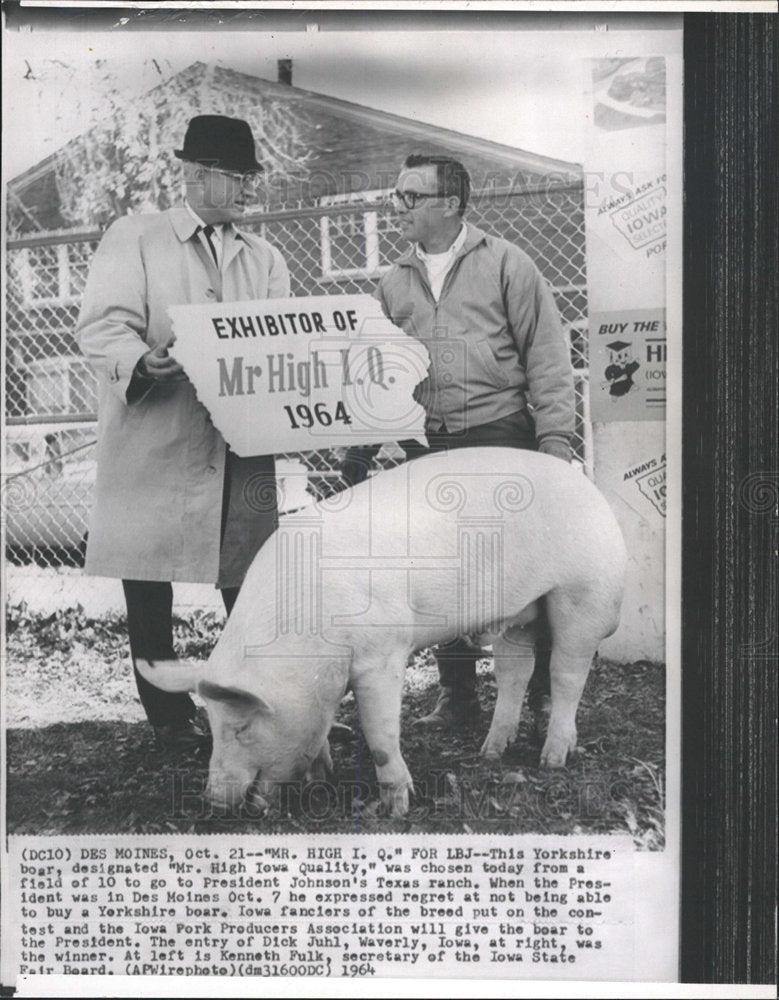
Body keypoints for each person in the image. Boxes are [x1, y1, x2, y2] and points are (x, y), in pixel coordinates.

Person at [77, 115, 290, 752]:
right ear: (195, 175)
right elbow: (101, 327)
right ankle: (168, 719)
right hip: (157, 432)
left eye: (251, 177)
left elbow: (284, 343)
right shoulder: (135, 238)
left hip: (239, 441)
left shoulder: (265, 257)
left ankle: (260, 705)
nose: (248, 189)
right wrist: (143, 362)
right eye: (235, 177)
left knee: (252, 575)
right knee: (148, 577)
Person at [342, 153, 576, 731]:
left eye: (411, 197)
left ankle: (541, 690)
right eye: (396, 196)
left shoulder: (508, 265)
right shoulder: (393, 282)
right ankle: (458, 694)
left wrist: (555, 441)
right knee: (441, 571)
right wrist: (359, 448)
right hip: (429, 444)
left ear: (451, 204)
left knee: (521, 569)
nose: (397, 207)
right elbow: (379, 370)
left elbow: (547, 356)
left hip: (501, 435)